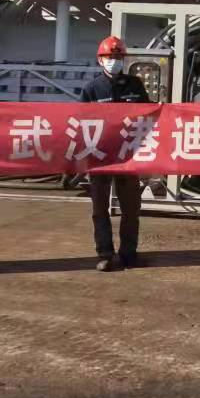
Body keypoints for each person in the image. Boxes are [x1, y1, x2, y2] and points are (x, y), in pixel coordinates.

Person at [80, 35, 151, 271]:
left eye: (118, 57)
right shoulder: (91, 89)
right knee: (100, 209)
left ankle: (129, 254)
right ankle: (105, 255)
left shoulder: (135, 85)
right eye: (110, 57)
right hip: (99, 157)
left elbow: (149, 115)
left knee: (131, 208)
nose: (114, 61)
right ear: (100, 60)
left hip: (128, 156)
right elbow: (80, 122)